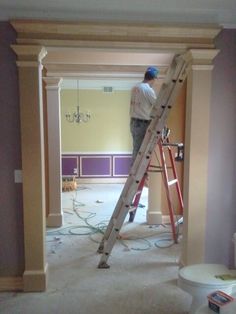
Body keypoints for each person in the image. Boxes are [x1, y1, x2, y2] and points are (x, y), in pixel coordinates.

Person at [130, 66, 159, 164]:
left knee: (136, 149)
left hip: (133, 122)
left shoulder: (135, 87)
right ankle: (138, 176)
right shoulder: (147, 90)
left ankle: (135, 173)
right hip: (142, 123)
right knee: (140, 152)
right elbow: (157, 105)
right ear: (153, 79)